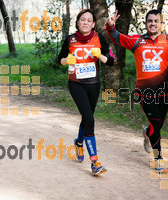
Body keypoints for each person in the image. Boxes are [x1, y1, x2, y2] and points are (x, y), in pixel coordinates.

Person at [106, 9, 168, 172]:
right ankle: (158, 159)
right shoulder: (137, 41)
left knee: (156, 127)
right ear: (146, 23)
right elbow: (116, 37)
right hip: (145, 93)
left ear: (161, 23)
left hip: (165, 93)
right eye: (150, 21)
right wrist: (110, 27)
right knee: (156, 125)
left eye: (156, 21)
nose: (153, 23)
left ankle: (147, 133)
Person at [57, 9, 114, 175]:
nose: (86, 22)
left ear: (94, 24)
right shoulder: (70, 39)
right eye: (83, 20)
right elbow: (58, 59)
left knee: (86, 117)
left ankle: (79, 143)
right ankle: (95, 161)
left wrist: (101, 57)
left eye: (89, 20)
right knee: (89, 118)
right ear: (78, 22)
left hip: (94, 84)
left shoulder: (99, 38)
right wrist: (66, 60)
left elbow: (111, 60)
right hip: (76, 84)